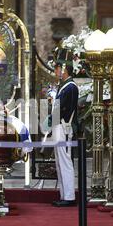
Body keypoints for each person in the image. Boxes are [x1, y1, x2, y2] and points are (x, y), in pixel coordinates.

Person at [50, 48, 79, 207]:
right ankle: (64, 194)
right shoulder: (64, 86)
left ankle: (69, 196)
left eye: (57, 68)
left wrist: (51, 118)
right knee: (59, 162)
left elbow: (64, 109)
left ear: (64, 69)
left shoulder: (71, 87)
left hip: (64, 127)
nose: (56, 71)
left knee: (65, 162)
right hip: (58, 126)